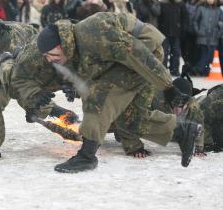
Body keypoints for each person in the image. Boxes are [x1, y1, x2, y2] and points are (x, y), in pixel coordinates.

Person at [33, 12, 202, 172]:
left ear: (59, 45)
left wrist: (168, 87)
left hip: (146, 50)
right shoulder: (72, 51)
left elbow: (136, 54)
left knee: (100, 97)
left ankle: (86, 156)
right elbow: (88, 86)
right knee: (127, 121)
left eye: (49, 54)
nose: (49, 59)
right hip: (125, 61)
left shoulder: (93, 33)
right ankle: (182, 131)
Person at [159, 0, 189, 76]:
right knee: (164, 52)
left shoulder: (180, 4)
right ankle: (163, 71)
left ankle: (174, 70)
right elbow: (159, 18)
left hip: (176, 33)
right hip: (165, 33)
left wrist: (183, 30)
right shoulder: (163, 4)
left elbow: (185, 18)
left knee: (175, 53)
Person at [193, 0, 223, 76]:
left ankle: (199, 68)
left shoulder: (218, 10)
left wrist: (219, 32)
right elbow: (195, 20)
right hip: (203, 35)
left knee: (210, 54)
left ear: (214, 0)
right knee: (204, 53)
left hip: (214, 35)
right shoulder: (201, 9)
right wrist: (198, 31)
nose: (210, 0)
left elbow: (222, 22)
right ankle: (202, 71)